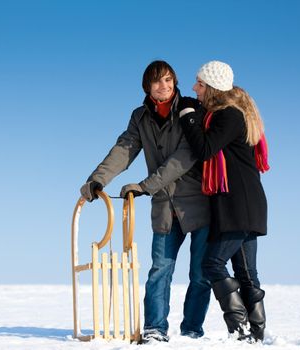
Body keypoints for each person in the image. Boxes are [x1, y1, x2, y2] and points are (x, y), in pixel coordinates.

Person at [79, 60, 211, 343]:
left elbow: (185, 158)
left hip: (198, 204)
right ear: (147, 87)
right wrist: (97, 180)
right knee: (159, 271)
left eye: (168, 80)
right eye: (157, 81)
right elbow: (124, 149)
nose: (164, 86)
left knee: (200, 274)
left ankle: (191, 332)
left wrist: (145, 186)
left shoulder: (191, 109)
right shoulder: (140, 117)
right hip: (164, 207)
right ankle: (155, 329)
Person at [179, 60, 270, 342]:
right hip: (244, 202)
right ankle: (256, 332)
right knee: (245, 272)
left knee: (212, 264)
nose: (194, 88)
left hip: (237, 204)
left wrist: (187, 115)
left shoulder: (228, 115)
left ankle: (240, 327)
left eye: (200, 83)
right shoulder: (232, 113)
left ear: (213, 88)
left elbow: (205, 148)